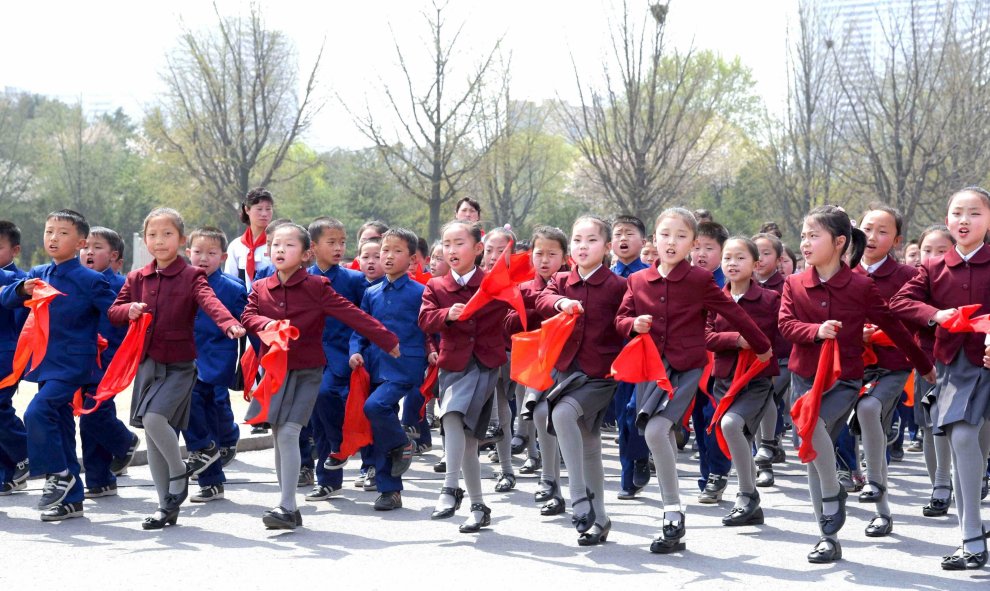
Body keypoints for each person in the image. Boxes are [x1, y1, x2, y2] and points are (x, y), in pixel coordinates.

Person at [779, 205, 933, 563]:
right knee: (813, 456)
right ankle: (827, 537)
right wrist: (814, 331)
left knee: (813, 427)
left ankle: (835, 493)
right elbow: (785, 326)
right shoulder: (793, 283)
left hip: (843, 383)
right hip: (803, 380)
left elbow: (894, 326)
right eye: (802, 236)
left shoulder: (861, 286)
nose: (805, 243)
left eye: (813, 236)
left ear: (839, 242)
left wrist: (923, 364)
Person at [616, 207, 772, 554]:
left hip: (687, 369)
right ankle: (674, 511)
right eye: (665, 235)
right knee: (651, 431)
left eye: (682, 236)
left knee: (657, 430)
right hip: (651, 370)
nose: (672, 242)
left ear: (691, 244)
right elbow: (621, 318)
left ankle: (672, 515)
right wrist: (632, 325)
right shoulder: (638, 280)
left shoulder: (700, 281)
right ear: (654, 239)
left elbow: (734, 313)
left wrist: (762, 346)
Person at [242, 223, 399, 529]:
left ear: (305, 254)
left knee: (288, 432)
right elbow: (247, 316)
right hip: (274, 371)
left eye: (288, 246)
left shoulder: (317, 287)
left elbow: (352, 314)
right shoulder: (262, 286)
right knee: (279, 434)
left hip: (307, 371)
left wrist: (387, 340)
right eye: (275, 245)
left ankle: (286, 506)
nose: (279, 251)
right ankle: (287, 504)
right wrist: (268, 325)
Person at [109, 207, 247, 529]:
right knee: (153, 436)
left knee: (156, 419)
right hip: (148, 365)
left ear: (181, 240)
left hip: (181, 366)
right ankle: (165, 506)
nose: (159, 241)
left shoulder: (192, 276)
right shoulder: (137, 278)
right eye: (153, 235)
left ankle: (178, 473)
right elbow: (114, 310)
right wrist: (129, 309)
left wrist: (228, 324)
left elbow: (210, 302)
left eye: (167, 234)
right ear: (145, 240)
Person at [890, 187, 990, 570]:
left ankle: (972, 535)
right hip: (954, 369)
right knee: (964, 439)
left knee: (971, 442)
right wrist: (937, 315)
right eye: (957, 213)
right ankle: (972, 535)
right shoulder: (932, 267)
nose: (964, 220)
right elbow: (900, 303)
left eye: (975, 213)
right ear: (947, 220)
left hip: (985, 364)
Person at [0, 209, 117, 521]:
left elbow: (114, 317)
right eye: (49, 231)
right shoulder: (39, 274)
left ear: (80, 242)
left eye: (63, 233)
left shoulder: (92, 281)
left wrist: (108, 352)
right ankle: (72, 500)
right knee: (62, 426)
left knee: (37, 411)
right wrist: (19, 290)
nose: (53, 237)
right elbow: (5, 297)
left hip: (74, 366)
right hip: (46, 364)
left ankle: (59, 474)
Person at [535, 215, 627, 546]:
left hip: (600, 376)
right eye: (576, 240)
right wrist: (561, 302)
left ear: (607, 247)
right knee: (588, 445)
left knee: (560, 414)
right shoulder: (561, 280)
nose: (582, 246)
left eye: (590, 240)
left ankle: (577, 497)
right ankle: (599, 518)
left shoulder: (618, 286)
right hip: (565, 372)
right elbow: (541, 299)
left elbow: (626, 321)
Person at [419, 220, 508, 533]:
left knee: (452, 415)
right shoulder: (437, 285)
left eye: (459, 243)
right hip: (452, 366)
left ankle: (449, 487)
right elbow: (425, 320)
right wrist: (447, 315)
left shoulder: (495, 283)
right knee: (467, 440)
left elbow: (514, 315)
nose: (452, 250)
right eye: (447, 244)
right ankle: (479, 506)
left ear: (478, 249)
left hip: (485, 366)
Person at [846, 204, 920, 538]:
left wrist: (876, 333)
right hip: (850, 366)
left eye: (883, 231)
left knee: (869, 408)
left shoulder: (907, 277)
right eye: (867, 228)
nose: (872, 237)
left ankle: (875, 490)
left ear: (897, 240)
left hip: (892, 366)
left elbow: (914, 325)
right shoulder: (843, 272)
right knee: (856, 427)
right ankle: (875, 509)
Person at [349, 228, 427, 511]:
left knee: (375, 408)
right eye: (385, 250)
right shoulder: (371, 293)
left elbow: (430, 328)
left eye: (397, 251)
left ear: (412, 258)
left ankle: (402, 441)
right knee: (380, 426)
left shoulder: (421, 292)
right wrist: (355, 351)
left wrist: (432, 355)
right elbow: (361, 328)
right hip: (375, 365)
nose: (388, 256)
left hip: (407, 367)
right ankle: (389, 490)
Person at [705, 237, 780, 526]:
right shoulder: (714, 298)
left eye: (740, 258)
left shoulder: (770, 299)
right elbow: (707, 337)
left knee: (731, 425)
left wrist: (757, 344)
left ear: (756, 264)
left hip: (756, 380)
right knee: (738, 435)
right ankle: (750, 502)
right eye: (727, 258)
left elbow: (773, 338)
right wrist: (737, 340)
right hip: (724, 379)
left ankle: (747, 495)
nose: (732, 264)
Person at [180, 227, 248, 503]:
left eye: (211, 253)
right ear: (188, 254)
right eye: (197, 252)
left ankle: (210, 449)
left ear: (222, 257)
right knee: (198, 412)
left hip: (217, 359)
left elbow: (248, 320)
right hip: (186, 359)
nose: (203, 258)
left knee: (206, 406)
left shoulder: (232, 288)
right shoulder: (179, 282)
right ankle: (211, 477)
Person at [306, 217, 369, 501]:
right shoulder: (301, 278)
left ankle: (344, 450)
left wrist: (358, 348)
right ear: (313, 246)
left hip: (343, 356)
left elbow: (365, 318)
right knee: (318, 419)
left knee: (328, 395)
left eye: (342, 242)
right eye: (331, 242)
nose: (339, 248)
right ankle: (329, 481)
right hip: (308, 357)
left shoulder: (354, 280)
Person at [508, 226, 568, 515]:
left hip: (570, 365)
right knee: (542, 414)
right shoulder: (523, 288)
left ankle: (573, 486)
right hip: (536, 364)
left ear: (564, 257)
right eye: (539, 253)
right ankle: (549, 479)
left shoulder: (571, 286)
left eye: (552, 254)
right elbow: (508, 324)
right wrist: (536, 308)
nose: (544, 260)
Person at [78, 226, 139, 498]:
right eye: (86, 247)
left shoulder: (121, 285)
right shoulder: (80, 281)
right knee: (89, 418)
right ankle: (100, 480)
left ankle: (125, 441)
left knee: (94, 414)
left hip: (110, 360)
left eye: (97, 247)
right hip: (83, 359)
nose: (89, 252)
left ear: (114, 255)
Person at [912, 225, 955, 516]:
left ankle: (975, 475)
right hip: (928, 361)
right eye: (928, 250)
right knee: (930, 425)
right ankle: (939, 484)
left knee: (973, 426)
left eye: (942, 251)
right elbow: (901, 307)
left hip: (970, 359)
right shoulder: (918, 279)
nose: (934, 256)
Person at [609, 215, 652, 500]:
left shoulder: (650, 274)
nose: (623, 239)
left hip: (642, 354)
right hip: (611, 355)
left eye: (629, 233)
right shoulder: (604, 273)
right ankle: (630, 476)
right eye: (618, 234)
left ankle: (636, 465)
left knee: (632, 413)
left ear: (644, 241)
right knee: (620, 418)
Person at [691, 221, 733, 503]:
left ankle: (717, 475)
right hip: (689, 361)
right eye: (696, 247)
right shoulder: (684, 278)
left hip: (719, 363)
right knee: (696, 419)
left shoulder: (726, 282)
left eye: (709, 248)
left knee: (712, 418)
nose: (701, 254)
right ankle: (706, 474)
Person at [479, 226, 519, 491]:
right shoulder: (474, 279)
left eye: (500, 250)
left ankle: (507, 469)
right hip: (476, 357)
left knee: (502, 411)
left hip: (507, 356)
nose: (493, 256)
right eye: (489, 249)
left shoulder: (518, 282)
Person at [752, 232, 790, 486]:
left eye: (768, 253)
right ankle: (764, 457)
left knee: (763, 393)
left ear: (778, 259)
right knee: (759, 399)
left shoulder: (789, 286)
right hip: (752, 359)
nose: (761, 258)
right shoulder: (742, 285)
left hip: (784, 358)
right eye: (757, 253)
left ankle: (766, 450)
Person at [0, 220, 30, 495]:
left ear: (15, 250)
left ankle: (24, 453)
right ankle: (9, 472)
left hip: (8, 355)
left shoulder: (17, 280)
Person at [225, 187, 274, 292]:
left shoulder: (277, 244)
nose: (264, 214)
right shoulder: (236, 245)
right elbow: (230, 279)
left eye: (268, 209)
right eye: (259, 209)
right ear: (247, 210)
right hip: (242, 303)